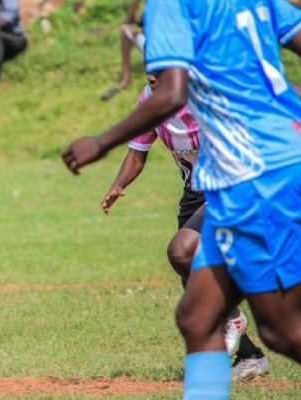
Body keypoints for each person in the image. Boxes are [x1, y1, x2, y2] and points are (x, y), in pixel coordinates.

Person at [62, 0, 301, 398]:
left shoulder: (171, 5)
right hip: (278, 160)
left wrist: (100, 143)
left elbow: (170, 94)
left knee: (285, 328)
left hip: (257, 169)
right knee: (198, 316)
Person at [102, 74, 270, 381]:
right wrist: (118, 184)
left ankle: (233, 314)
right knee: (191, 281)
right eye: (149, 67)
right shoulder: (150, 100)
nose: (152, 75)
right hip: (195, 193)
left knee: (180, 251)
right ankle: (250, 357)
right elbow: (138, 151)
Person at [100, 0, 144, 101]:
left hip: (166, 46)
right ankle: (126, 79)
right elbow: (129, 22)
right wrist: (134, 4)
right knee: (126, 31)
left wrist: (142, 30)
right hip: (151, 42)